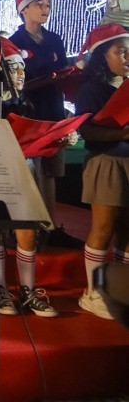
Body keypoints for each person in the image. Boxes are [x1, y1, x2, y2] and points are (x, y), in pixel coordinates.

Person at [0, 38, 59, 318]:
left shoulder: (26, 103)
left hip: (25, 167)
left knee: (27, 230)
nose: (22, 74)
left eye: (23, 68)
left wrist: (56, 140)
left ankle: (28, 290)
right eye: (14, 68)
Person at [9, 0, 84, 250]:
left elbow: (63, 71)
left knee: (50, 172)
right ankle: (26, 230)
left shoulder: (54, 39)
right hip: (29, 115)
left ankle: (49, 229)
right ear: (23, 10)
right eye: (39, 4)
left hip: (53, 112)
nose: (45, 9)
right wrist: (44, 80)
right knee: (29, 174)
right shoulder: (15, 42)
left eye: (48, 4)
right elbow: (16, 84)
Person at [73, 24, 129, 320]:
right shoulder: (90, 90)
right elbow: (88, 132)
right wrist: (123, 134)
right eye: (121, 52)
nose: (127, 57)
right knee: (104, 228)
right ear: (102, 56)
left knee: (127, 230)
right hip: (106, 162)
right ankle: (93, 293)